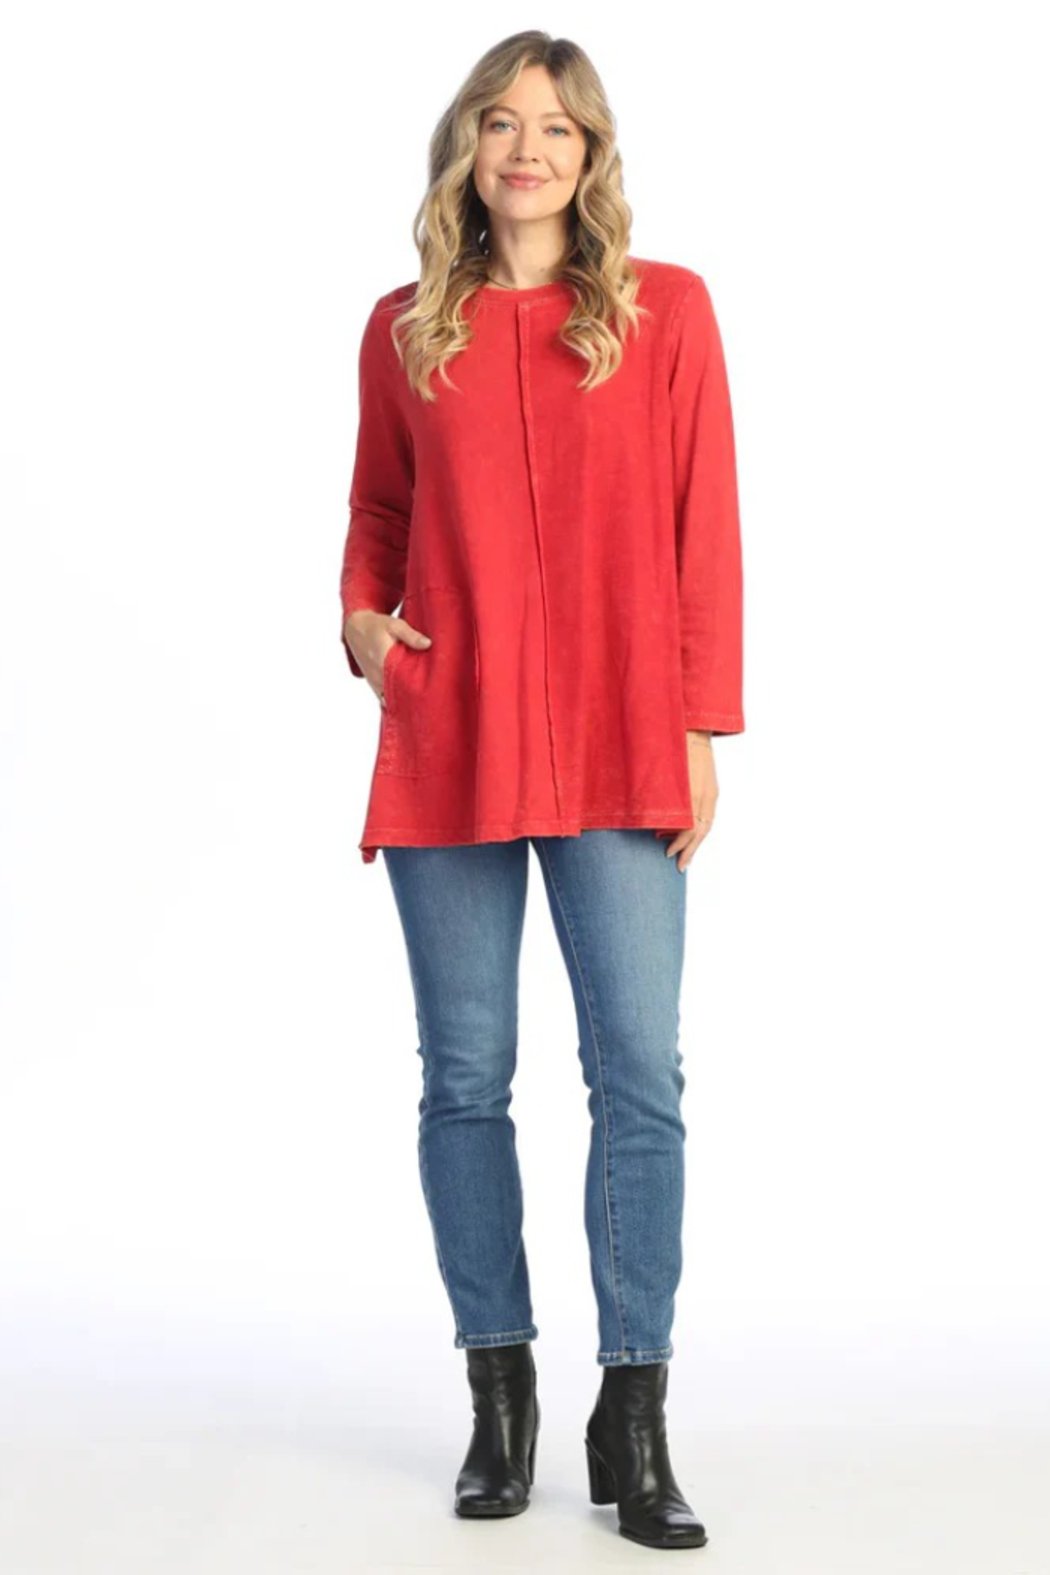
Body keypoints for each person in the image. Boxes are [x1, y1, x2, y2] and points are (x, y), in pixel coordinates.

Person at [339, 31, 744, 1552]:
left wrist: (699, 723)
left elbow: (706, 519)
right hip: (454, 721)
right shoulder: (404, 329)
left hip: (624, 727)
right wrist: (362, 624)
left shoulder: (664, 311)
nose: (528, 151)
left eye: (558, 129)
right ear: (468, 145)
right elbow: (379, 508)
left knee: (639, 1075)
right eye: (503, 124)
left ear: (591, 156)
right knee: (465, 1076)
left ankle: (631, 1410)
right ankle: (496, 1393)